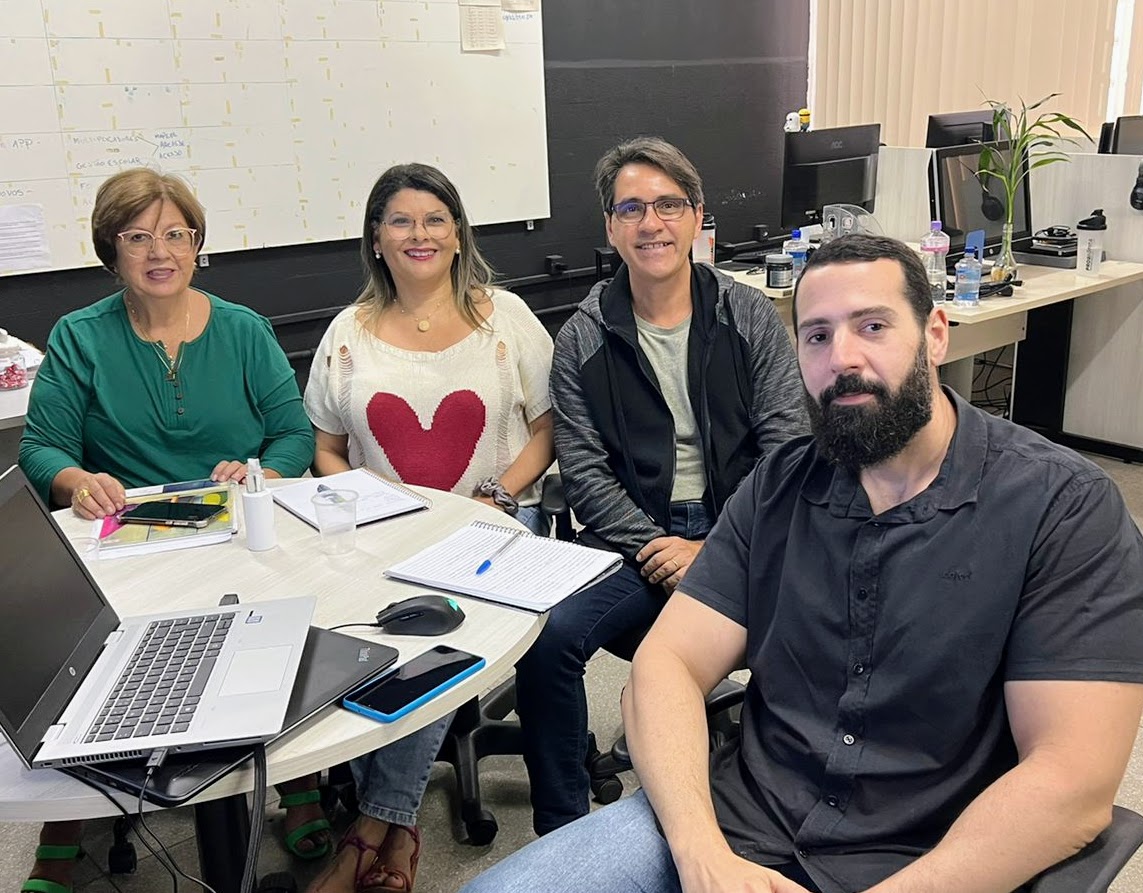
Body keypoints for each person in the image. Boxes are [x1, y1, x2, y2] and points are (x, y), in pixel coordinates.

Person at [461, 233, 1143, 893]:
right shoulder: (779, 483)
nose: (840, 357)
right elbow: (665, 665)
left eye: (871, 326)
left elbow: (1072, 783)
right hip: (734, 825)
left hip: (921, 859)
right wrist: (701, 855)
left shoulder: (1060, 506)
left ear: (935, 332)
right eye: (816, 335)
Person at [17, 167, 316, 892]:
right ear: (110, 249)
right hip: (131, 544)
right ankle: (65, 821)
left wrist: (259, 476)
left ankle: (301, 781)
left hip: (237, 534)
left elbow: (291, 436)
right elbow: (41, 446)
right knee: (96, 660)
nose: (161, 251)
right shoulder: (79, 336)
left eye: (177, 234)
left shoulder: (243, 330)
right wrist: (76, 480)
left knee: (284, 628)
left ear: (197, 245)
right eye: (138, 236)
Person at [515, 136, 809, 837]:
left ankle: (780, 801)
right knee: (547, 639)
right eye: (632, 208)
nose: (652, 223)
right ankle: (560, 831)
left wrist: (711, 547)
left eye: (669, 204)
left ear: (696, 217)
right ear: (610, 227)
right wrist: (659, 546)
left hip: (746, 530)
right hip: (632, 542)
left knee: (819, 622)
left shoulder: (746, 318)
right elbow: (584, 474)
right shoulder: (583, 338)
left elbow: (786, 452)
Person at [302, 162, 554, 892]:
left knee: (427, 640)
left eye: (434, 219)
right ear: (375, 239)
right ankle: (395, 827)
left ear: (457, 233)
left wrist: (496, 496)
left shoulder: (504, 317)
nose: (419, 233)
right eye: (401, 221)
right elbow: (323, 445)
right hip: (384, 533)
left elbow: (546, 430)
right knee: (354, 637)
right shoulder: (347, 332)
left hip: (493, 527)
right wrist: (365, 497)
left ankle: (370, 833)